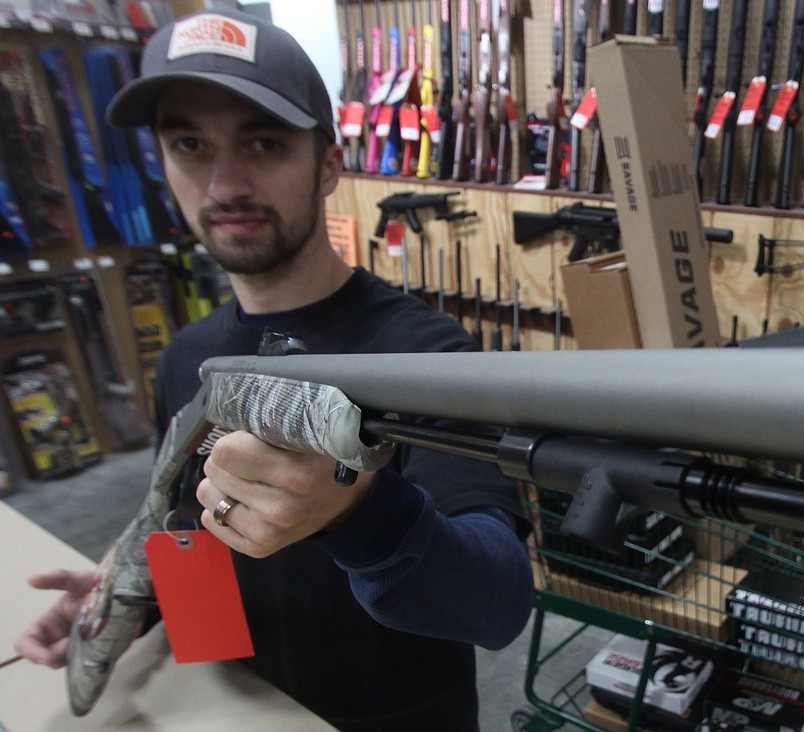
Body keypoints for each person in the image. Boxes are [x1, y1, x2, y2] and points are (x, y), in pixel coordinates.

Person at [14, 9, 534, 731]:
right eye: (189, 143)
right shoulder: (187, 356)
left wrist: (358, 513)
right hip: (225, 707)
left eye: (263, 143)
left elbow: (499, 602)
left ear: (326, 166)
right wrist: (121, 596)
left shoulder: (428, 358)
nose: (225, 183)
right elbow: (182, 522)